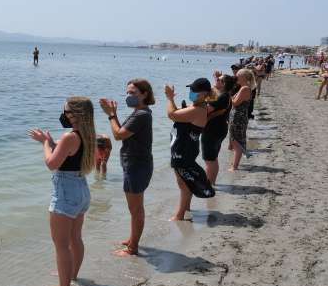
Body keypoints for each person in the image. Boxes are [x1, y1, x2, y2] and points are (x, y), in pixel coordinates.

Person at [27, 97, 95, 286]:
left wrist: (45, 144)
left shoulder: (70, 136)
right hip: (81, 189)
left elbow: (51, 164)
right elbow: (71, 152)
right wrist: (51, 142)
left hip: (66, 191)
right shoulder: (87, 134)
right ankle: (71, 275)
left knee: (61, 245)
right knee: (75, 238)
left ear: (76, 114)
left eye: (66, 111)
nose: (63, 114)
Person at [99, 79, 154, 256]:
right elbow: (125, 133)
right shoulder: (139, 112)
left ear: (144, 94)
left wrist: (111, 115)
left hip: (137, 165)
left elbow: (118, 135)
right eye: (127, 93)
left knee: (135, 209)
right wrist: (114, 114)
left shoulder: (141, 114)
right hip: (137, 164)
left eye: (133, 93)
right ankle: (133, 239)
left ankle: (133, 248)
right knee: (135, 208)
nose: (128, 96)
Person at [165, 79, 216, 221]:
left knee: (183, 183)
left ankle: (179, 215)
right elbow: (178, 112)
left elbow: (172, 115)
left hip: (183, 151)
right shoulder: (198, 107)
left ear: (204, 94)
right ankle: (186, 208)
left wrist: (169, 98)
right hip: (184, 149)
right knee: (184, 181)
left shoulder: (198, 110)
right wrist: (173, 101)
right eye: (190, 90)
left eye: (194, 91)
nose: (191, 93)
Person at [201, 74, 235, 184]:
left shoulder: (223, 97)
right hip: (219, 129)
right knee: (213, 157)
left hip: (213, 130)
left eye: (219, 79)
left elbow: (205, 110)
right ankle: (211, 182)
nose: (216, 80)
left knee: (210, 159)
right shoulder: (225, 95)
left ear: (224, 84)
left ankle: (209, 184)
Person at [229, 69, 253, 171]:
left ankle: (235, 167)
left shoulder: (245, 89)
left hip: (239, 118)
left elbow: (234, 103)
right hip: (237, 117)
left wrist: (227, 93)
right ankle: (234, 163)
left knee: (236, 141)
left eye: (237, 75)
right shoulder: (243, 87)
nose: (235, 77)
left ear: (244, 77)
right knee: (235, 141)